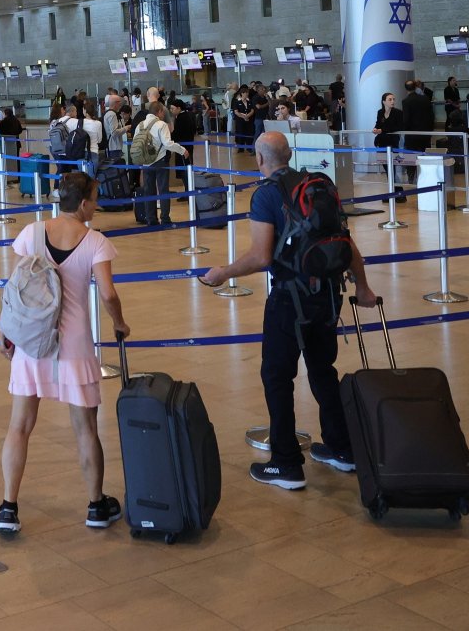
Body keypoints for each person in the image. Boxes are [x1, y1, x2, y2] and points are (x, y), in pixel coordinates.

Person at [200, 132, 379, 489]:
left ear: (259, 159)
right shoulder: (320, 186)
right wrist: (362, 285)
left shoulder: (266, 195)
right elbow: (347, 241)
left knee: (277, 378)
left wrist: (223, 272)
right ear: (290, 154)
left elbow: (261, 256)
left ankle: (286, 463)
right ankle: (341, 449)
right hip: (328, 295)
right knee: (322, 370)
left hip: (289, 300)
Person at [0, 171, 130, 536]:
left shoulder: (31, 233)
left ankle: (8, 507)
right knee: (85, 428)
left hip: (33, 342)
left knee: (19, 426)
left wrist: (10, 335)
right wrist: (119, 322)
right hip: (74, 347)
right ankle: (95, 505)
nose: (97, 204)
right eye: (95, 198)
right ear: (84, 203)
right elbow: (108, 294)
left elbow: (18, 289)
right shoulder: (95, 242)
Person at [130, 102, 186, 224]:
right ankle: (165, 218)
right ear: (160, 111)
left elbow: (135, 142)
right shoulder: (161, 124)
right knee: (163, 190)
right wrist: (182, 150)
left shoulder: (140, 125)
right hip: (160, 161)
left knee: (148, 191)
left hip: (145, 162)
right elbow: (168, 144)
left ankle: (151, 219)